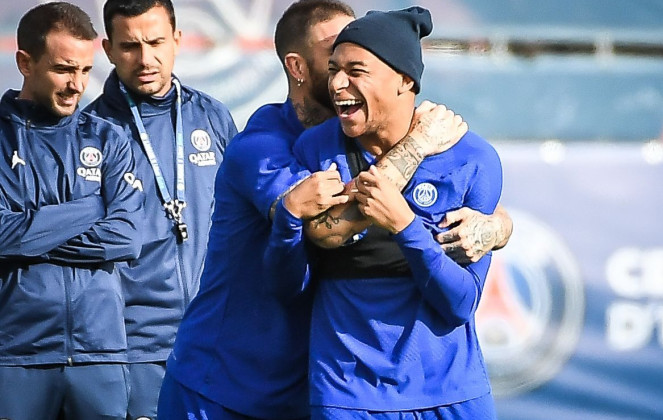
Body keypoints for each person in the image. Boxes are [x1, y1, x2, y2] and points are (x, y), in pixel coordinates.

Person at [159, 1, 509, 419]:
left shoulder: (454, 151)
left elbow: (459, 278)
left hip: (308, 387)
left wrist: (500, 225)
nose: (342, 75)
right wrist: (415, 149)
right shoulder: (270, 146)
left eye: (357, 61)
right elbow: (324, 229)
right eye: (334, 57)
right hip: (228, 386)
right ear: (298, 66)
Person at [291, 6, 501, 418]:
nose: (337, 83)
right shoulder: (315, 151)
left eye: (356, 70)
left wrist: (405, 226)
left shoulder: (472, 159)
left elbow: (459, 302)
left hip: (449, 394)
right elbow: (303, 257)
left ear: (405, 79)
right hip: (347, 393)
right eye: (333, 68)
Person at [83, 0, 238, 419]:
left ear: (177, 40)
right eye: (130, 46)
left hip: (219, 337)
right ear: (109, 49)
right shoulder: (91, 134)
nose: (145, 58)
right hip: (137, 345)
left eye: (155, 42)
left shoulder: (213, 117)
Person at [0, 2, 144, 420]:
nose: (76, 84)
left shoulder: (108, 138)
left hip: (101, 351)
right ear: (25, 63)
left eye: (85, 70)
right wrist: (91, 207)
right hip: (16, 353)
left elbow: (126, 236)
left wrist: (33, 235)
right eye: (64, 69)